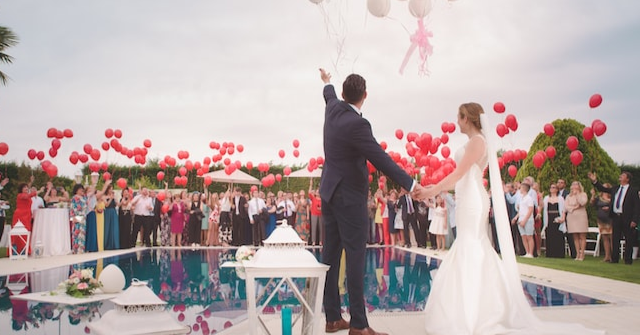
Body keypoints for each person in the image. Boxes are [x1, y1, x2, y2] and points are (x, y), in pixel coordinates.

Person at [414, 102, 602, 334]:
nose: (457, 121)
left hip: (472, 199)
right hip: (467, 196)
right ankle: (477, 306)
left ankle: (477, 312)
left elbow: (459, 173)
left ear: (467, 118)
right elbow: (459, 175)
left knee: (471, 244)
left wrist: (432, 190)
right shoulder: (476, 141)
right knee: (471, 243)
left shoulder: (477, 142)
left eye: (459, 117)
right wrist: (435, 188)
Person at [318, 68, 419, 335]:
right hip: (350, 199)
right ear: (365, 96)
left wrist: (326, 80)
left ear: (342, 93)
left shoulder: (332, 109)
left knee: (329, 258)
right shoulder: (358, 124)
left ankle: (332, 319)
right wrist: (410, 184)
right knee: (355, 258)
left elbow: (327, 94)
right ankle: (359, 326)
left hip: (328, 193)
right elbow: (380, 158)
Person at [589, 171, 640, 264]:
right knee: (615, 238)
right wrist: (595, 181)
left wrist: (634, 220)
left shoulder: (633, 191)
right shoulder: (616, 188)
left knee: (628, 239)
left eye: (623, 176)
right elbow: (603, 189)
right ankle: (614, 259)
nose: (620, 176)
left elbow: (637, 207)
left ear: (627, 179)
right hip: (616, 217)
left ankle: (628, 260)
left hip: (627, 217)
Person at [564, 181, 589, 261]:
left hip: (581, 216)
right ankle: (577, 253)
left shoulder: (583, 194)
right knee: (575, 236)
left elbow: (582, 203)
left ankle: (582, 254)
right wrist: (574, 207)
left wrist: (577, 194)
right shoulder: (568, 196)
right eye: (573, 184)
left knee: (582, 236)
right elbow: (566, 206)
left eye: (576, 184)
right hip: (571, 216)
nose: (574, 186)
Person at [11, 177, 37, 255]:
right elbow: (27, 196)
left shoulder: (26, 194)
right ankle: (16, 250)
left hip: (27, 215)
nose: (26, 188)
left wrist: (31, 182)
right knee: (19, 232)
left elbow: (27, 193)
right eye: (24, 187)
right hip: (20, 215)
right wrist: (37, 192)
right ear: (21, 189)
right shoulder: (20, 195)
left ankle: (24, 249)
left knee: (26, 231)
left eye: (27, 187)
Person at [542, 183, 566, 258]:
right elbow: (542, 207)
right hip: (549, 218)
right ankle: (550, 253)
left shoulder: (560, 198)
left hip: (557, 217)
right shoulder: (546, 198)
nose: (552, 189)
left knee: (558, 235)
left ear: (557, 189)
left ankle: (559, 253)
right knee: (549, 235)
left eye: (554, 187)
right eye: (551, 187)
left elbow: (563, 210)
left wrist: (562, 218)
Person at [590, 184, 613, 262]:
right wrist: (592, 195)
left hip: (610, 219)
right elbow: (592, 204)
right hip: (601, 220)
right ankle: (607, 256)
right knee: (604, 237)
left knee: (612, 237)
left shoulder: (612, 197)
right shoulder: (599, 198)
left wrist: (609, 208)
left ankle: (614, 256)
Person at [512, 183, 535, 258]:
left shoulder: (529, 198)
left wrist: (525, 220)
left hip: (528, 220)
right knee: (523, 236)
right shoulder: (522, 198)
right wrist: (516, 218)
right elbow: (521, 211)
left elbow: (530, 210)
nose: (519, 189)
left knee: (529, 236)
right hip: (520, 219)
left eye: (521, 188)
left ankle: (531, 253)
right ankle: (527, 252)